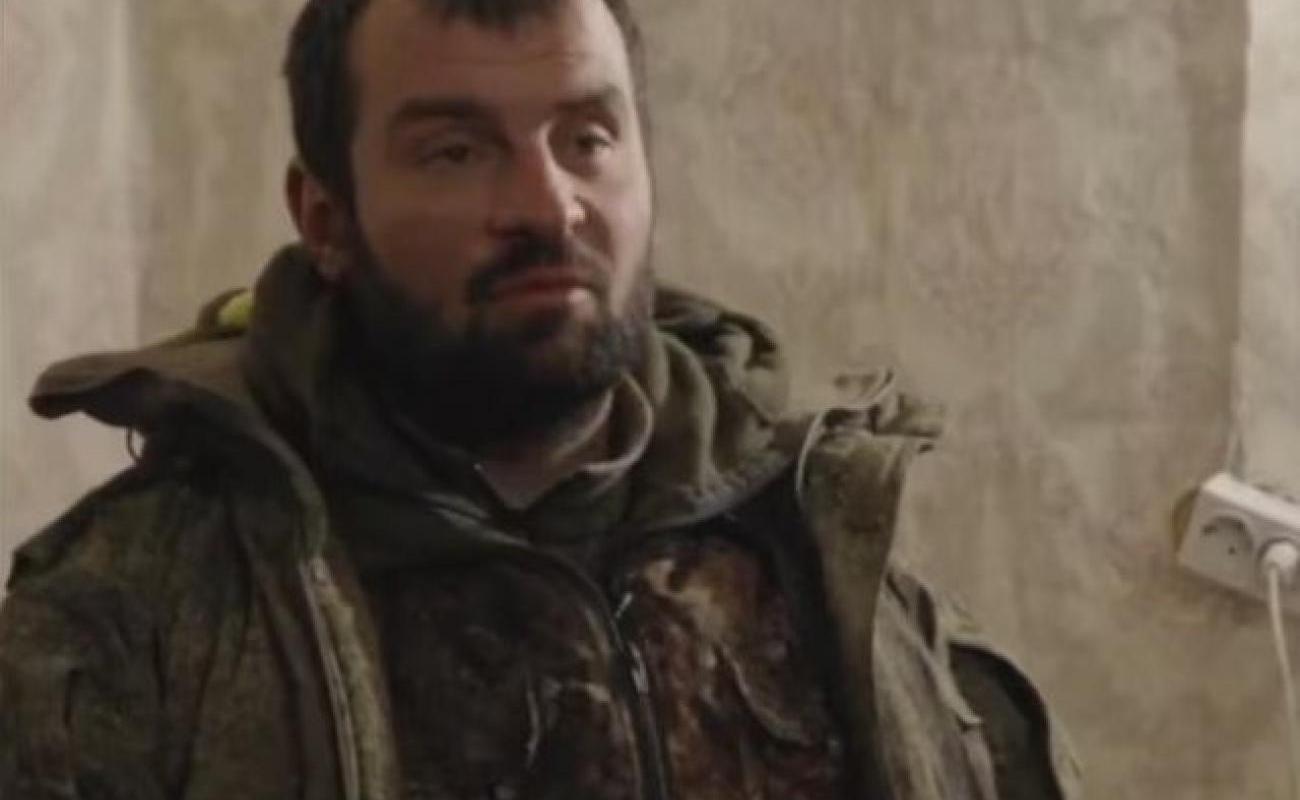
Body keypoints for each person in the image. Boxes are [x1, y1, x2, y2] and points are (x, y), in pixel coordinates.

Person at [0, 0, 1081, 797]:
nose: (546, 205)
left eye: (586, 139)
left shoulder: (821, 533)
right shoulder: (137, 610)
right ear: (325, 219)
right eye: (455, 150)